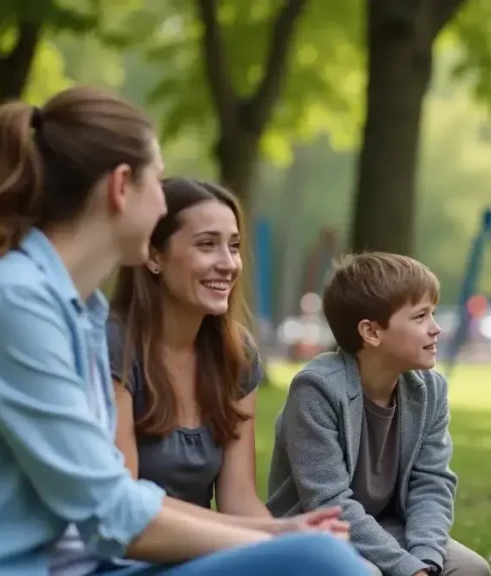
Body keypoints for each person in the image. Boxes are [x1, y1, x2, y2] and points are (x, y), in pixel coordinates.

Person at [0, 87, 369, 576]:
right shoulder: (13, 300)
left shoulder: (81, 310)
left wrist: (278, 532)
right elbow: (113, 514)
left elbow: (118, 496)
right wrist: (276, 538)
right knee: (318, 560)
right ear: (121, 186)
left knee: (317, 554)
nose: (162, 202)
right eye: (157, 181)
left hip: (99, 565)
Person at [107, 177, 346, 539]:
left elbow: (238, 497)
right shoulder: (114, 346)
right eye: (207, 245)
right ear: (154, 255)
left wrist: (285, 533)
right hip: (134, 550)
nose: (228, 263)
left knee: (332, 558)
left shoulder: (236, 354)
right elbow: (124, 504)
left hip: (208, 545)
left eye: (233, 247)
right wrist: (276, 533)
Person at [266, 252, 491, 576]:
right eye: (420, 316)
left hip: (387, 527)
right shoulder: (316, 390)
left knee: (471, 569)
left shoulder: (430, 389)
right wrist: (406, 568)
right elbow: (329, 503)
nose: (436, 328)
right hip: (314, 533)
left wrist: (425, 559)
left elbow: (431, 482)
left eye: (434, 313)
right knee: (367, 573)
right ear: (371, 332)